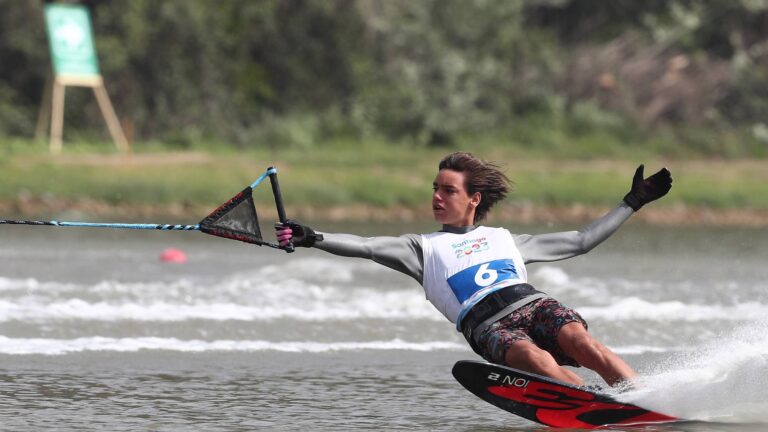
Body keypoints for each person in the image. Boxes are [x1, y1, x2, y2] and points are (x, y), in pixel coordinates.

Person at [274, 152, 672, 388]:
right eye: (435, 188)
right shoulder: (421, 249)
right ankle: (593, 405)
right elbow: (364, 245)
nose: (436, 197)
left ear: (473, 199)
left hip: (534, 304)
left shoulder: (506, 239)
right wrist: (312, 236)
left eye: (448, 190)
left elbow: (582, 240)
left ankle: (643, 402)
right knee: (535, 360)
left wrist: (632, 202)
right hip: (490, 328)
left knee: (583, 343)